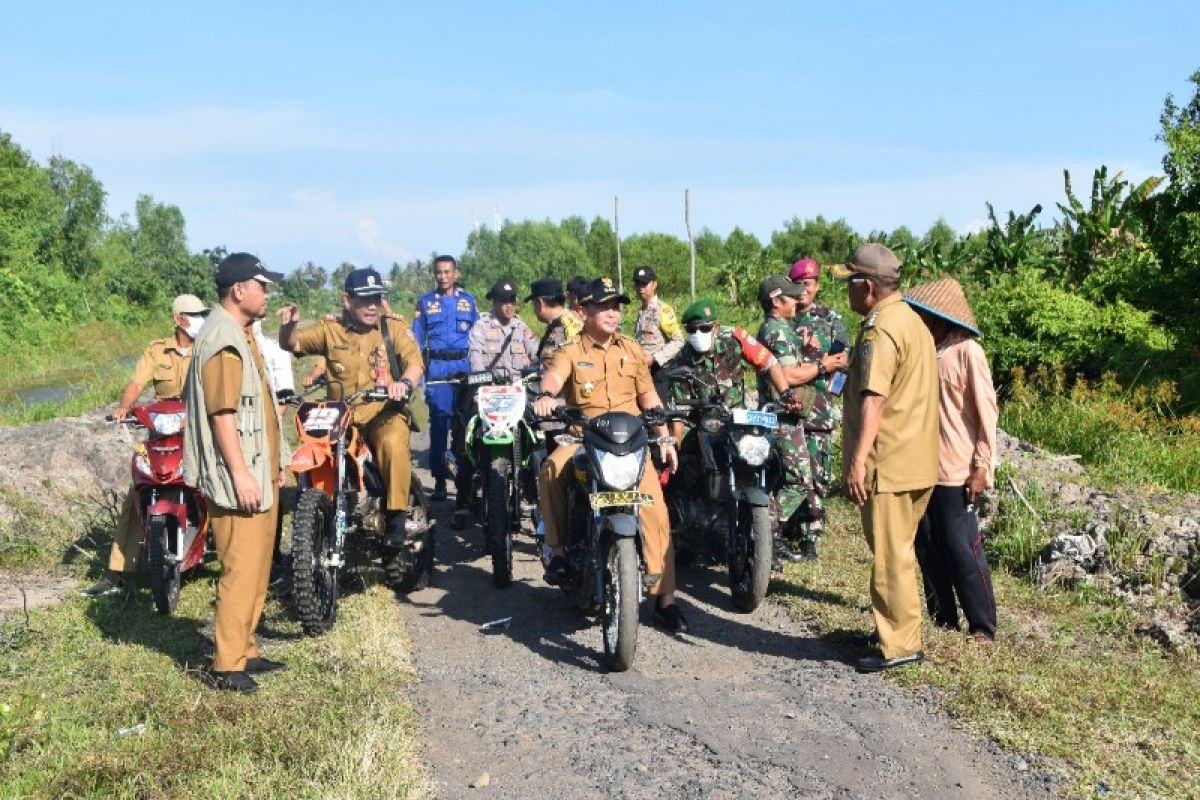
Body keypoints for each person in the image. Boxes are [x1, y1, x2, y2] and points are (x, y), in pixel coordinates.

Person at [532, 277, 687, 632]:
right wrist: (545, 398)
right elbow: (553, 379)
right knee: (551, 470)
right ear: (584, 311)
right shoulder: (570, 350)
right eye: (604, 306)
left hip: (630, 445)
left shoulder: (632, 350)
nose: (612, 313)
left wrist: (663, 439)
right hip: (582, 439)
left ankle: (665, 600)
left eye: (616, 306)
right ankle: (556, 553)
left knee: (655, 508)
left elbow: (649, 398)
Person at [181, 253, 289, 693]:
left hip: (260, 473)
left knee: (259, 565)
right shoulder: (223, 337)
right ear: (239, 289)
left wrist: (273, 466)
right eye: (262, 285)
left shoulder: (242, 332)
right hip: (240, 477)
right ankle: (225, 665)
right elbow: (222, 415)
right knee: (240, 568)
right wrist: (242, 474)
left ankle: (245, 648)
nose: (267, 294)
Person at [834, 243, 939, 673]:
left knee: (891, 555)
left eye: (850, 283)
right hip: (916, 458)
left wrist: (858, 461)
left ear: (869, 287)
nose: (847, 293)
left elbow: (874, 400)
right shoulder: (912, 320)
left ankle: (900, 643)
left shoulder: (881, 329)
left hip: (889, 461)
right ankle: (892, 629)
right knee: (898, 549)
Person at [280, 267, 425, 548]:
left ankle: (396, 517)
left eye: (377, 298)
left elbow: (414, 363)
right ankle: (322, 510)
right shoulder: (330, 330)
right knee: (317, 448)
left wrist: (404, 384)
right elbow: (292, 343)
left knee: (394, 442)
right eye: (365, 300)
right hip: (342, 419)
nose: (373, 306)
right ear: (348, 300)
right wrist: (289, 325)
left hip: (382, 414)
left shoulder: (391, 327)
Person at [84, 294, 209, 597]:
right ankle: (117, 572)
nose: (200, 319)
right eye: (195, 314)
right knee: (137, 492)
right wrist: (124, 408)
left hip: (199, 431)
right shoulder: (157, 350)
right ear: (178, 319)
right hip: (164, 432)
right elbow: (136, 383)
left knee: (217, 485)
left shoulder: (209, 348)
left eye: (204, 314)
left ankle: (235, 560)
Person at [904, 278, 999, 643]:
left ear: (940, 317)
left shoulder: (967, 352)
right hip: (923, 465)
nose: (920, 322)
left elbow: (986, 411)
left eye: (924, 316)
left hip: (957, 467)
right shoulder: (930, 351)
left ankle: (981, 626)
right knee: (928, 544)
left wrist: (982, 465)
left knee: (962, 546)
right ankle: (942, 617)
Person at [757, 276, 846, 562]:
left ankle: (768, 536)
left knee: (794, 479)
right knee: (799, 480)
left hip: (791, 416)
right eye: (791, 296)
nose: (798, 299)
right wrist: (823, 365)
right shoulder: (776, 331)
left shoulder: (783, 329)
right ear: (775, 302)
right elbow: (790, 375)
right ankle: (764, 531)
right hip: (783, 417)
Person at [667, 297, 796, 494]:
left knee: (773, 459)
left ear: (716, 327)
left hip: (739, 421)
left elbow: (769, 362)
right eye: (691, 330)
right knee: (681, 473)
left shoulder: (735, 338)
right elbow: (679, 408)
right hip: (704, 425)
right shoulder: (683, 358)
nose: (697, 334)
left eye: (703, 328)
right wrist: (675, 443)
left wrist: (786, 393)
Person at [455, 279, 538, 526]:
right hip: (487, 394)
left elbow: (538, 354)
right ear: (494, 302)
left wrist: (543, 368)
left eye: (512, 300)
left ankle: (534, 497)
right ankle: (463, 501)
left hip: (516, 396)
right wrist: (482, 382)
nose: (508, 306)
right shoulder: (481, 326)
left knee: (536, 436)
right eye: (503, 301)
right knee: (467, 436)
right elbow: (476, 357)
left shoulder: (522, 328)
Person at [787, 258, 851, 559]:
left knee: (816, 473)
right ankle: (786, 531)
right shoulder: (783, 319)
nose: (802, 291)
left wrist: (831, 392)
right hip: (787, 408)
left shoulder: (831, 319)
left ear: (817, 286)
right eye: (797, 285)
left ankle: (811, 534)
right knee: (787, 471)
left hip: (819, 410)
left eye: (807, 285)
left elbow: (844, 362)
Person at [412, 255, 478, 501]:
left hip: (464, 369)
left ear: (455, 273)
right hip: (438, 370)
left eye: (447, 272)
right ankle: (439, 480)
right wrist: (417, 377)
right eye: (439, 272)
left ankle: (467, 480)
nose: (443, 276)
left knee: (466, 426)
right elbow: (416, 341)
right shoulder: (426, 303)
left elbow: (478, 335)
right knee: (440, 426)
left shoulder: (468, 301)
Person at [631, 266, 684, 399]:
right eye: (638, 283)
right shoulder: (642, 311)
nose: (641, 287)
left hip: (660, 372)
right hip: (644, 372)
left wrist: (655, 358)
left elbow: (678, 341)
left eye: (645, 283)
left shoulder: (662, 310)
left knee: (661, 414)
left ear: (654, 284)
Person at [528, 277, 576, 366]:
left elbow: (546, 365)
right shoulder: (573, 318)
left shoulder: (559, 329)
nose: (534, 308)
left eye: (533, 303)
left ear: (540, 303)